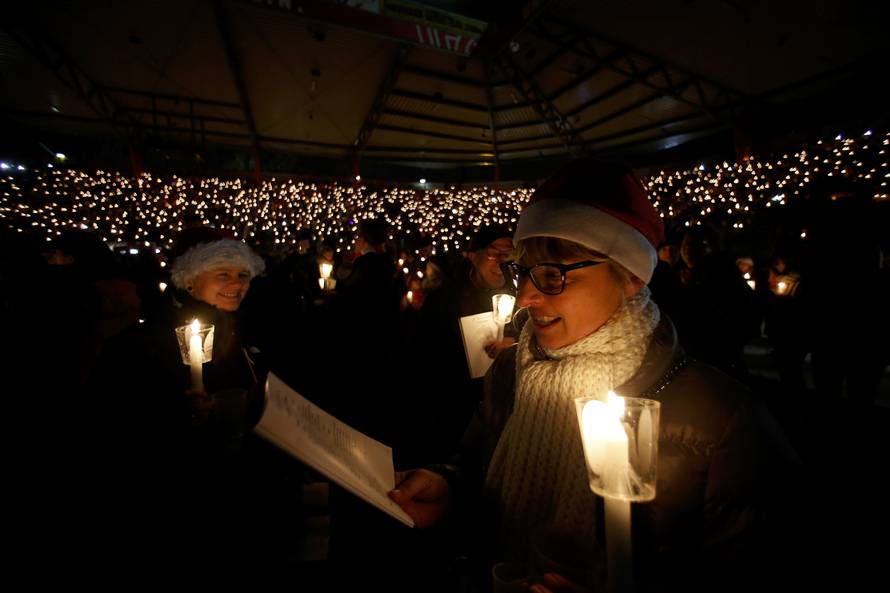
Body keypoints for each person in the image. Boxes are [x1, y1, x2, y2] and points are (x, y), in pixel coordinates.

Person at [390, 160, 802, 592]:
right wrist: (449, 486)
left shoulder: (721, 421)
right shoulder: (510, 372)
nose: (525, 297)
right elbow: (479, 465)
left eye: (553, 275)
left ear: (630, 276)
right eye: (523, 272)